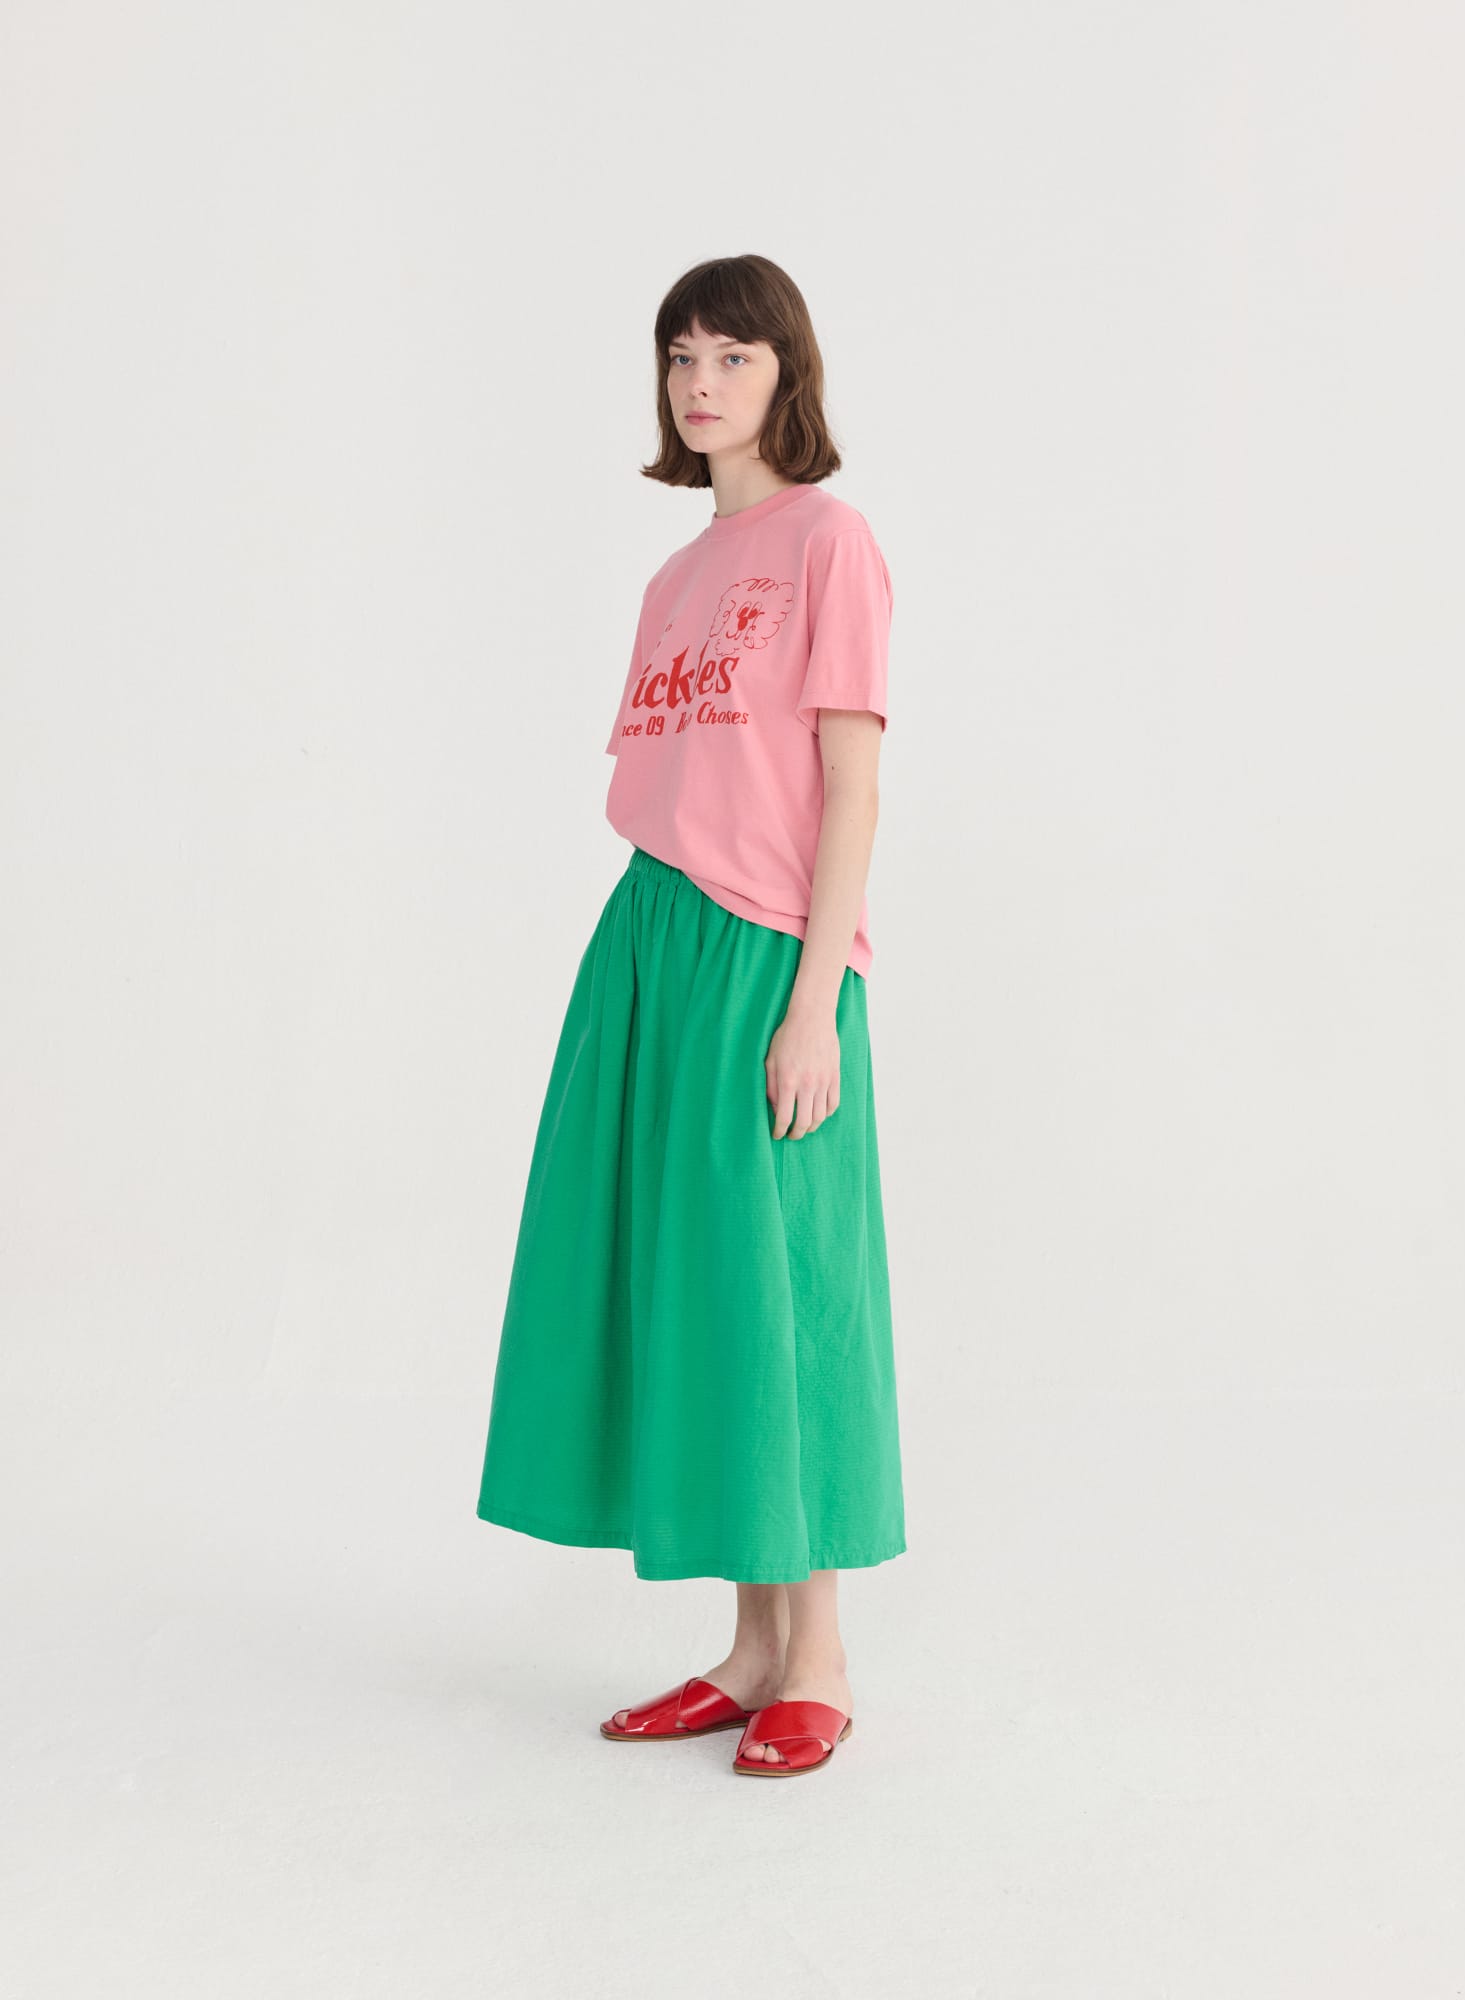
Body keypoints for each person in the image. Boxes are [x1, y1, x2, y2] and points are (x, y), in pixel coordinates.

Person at [476, 254, 906, 1778]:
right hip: (651, 939)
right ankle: (747, 1650)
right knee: (701, 1290)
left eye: (733, 354)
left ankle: (821, 1659)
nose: (702, 383)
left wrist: (814, 1003)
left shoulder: (829, 542)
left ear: (788, 371)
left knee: (787, 1287)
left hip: (764, 950)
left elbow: (850, 786)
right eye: (680, 357)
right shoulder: (676, 579)